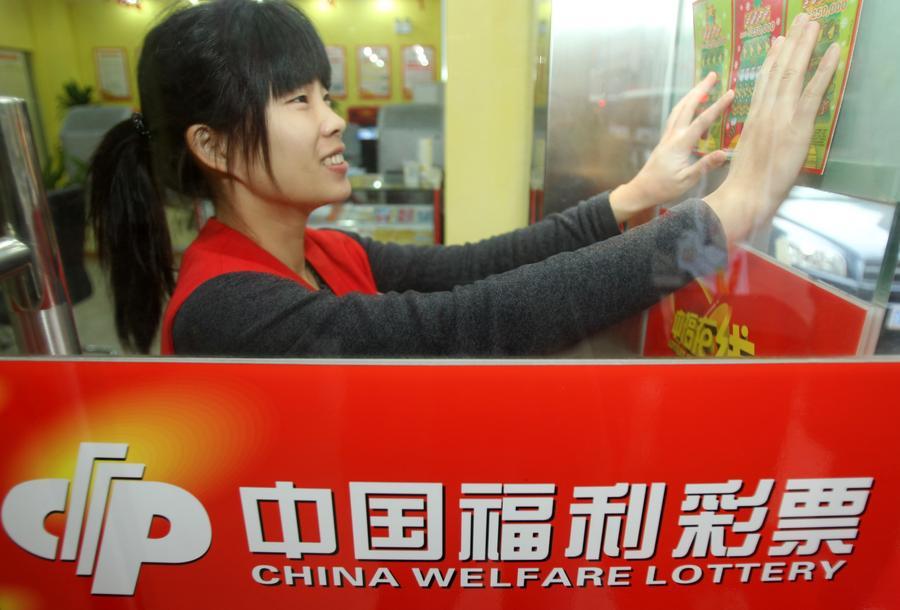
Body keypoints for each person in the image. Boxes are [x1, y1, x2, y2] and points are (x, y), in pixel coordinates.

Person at [89, 0, 839, 358]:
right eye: (298, 101)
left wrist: (634, 196)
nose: (333, 120)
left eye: (325, 94)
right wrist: (726, 214)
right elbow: (471, 323)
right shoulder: (228, 309)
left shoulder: (325, 253)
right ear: (214, 147)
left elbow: (478, 268)